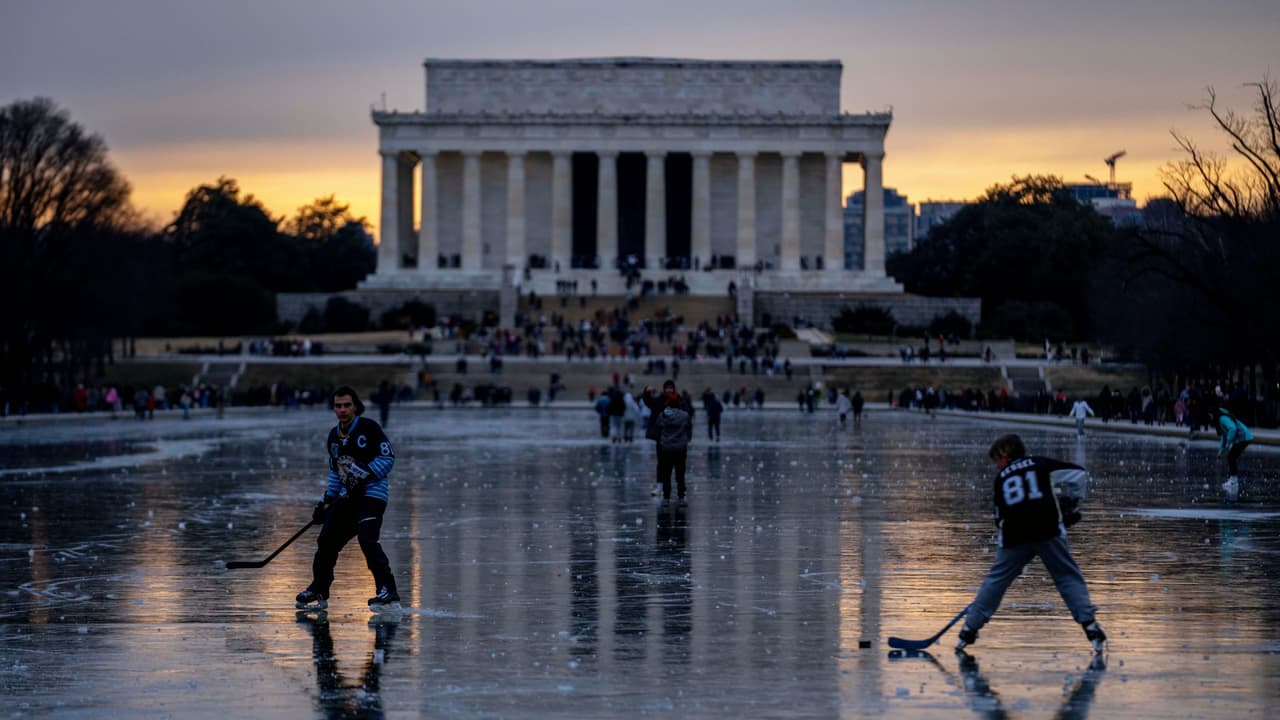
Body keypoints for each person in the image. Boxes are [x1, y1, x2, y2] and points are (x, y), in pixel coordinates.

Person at [956, 434, 1105, 654]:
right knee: (1066, 575)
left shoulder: (1001, 479)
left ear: (1006, 455)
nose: (997, 465)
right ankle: (1089, 625)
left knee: (996, 581)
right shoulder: (1040, 463)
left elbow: (1000, 520)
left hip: (1014, 532)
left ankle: (969, 629)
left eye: (997, 460)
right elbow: (1078, 474)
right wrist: (1070, 505)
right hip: (1047, 527)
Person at [296, 386, 401, 613]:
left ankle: (387, 589)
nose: (342, 410)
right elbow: (335, 471)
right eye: (338, 406)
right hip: (346, 499)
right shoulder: (334, 436)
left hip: (372, 496)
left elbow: (388, 457)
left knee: (367, 540)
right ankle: (319, 588)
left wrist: (364, 475)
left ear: (355, 406)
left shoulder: (368, 428)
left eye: (347, 405)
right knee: (326, 541)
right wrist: (326, 500)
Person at [649, 380, 692, 501]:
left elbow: (658, 425)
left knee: (666, 472)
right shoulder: (684, 415)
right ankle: (681, 494)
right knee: (680, 472)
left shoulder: (663, 415)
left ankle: (666, 495)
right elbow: (688, 425)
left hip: (666, 447)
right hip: (680, 447)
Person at [1214, 405, 1254, 493]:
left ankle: (1234, 481)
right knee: (1231, 457)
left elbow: (1233, 428)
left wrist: (1229, 442)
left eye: (1210, 415)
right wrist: (1221, 451)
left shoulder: (1222, 418)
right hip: (1243, 438)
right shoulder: (1222, 419)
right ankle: (1233, 480)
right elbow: (1224, 437)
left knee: (1231, 457)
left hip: (1243, 438)